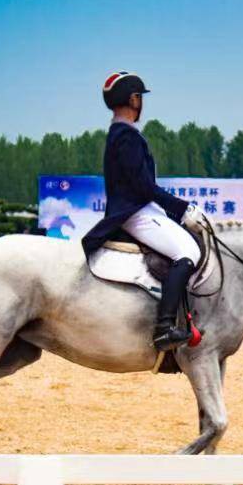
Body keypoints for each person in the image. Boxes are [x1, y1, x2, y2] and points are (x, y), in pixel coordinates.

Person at [82, 71, 203, 351]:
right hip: (134, 212)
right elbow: (145, 187)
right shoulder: (127, 137)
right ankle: (164, 327)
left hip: (140, 209)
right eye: (139, 97)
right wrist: (183, 209)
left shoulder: (121, 134)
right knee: (187, 252)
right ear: (134, 99)